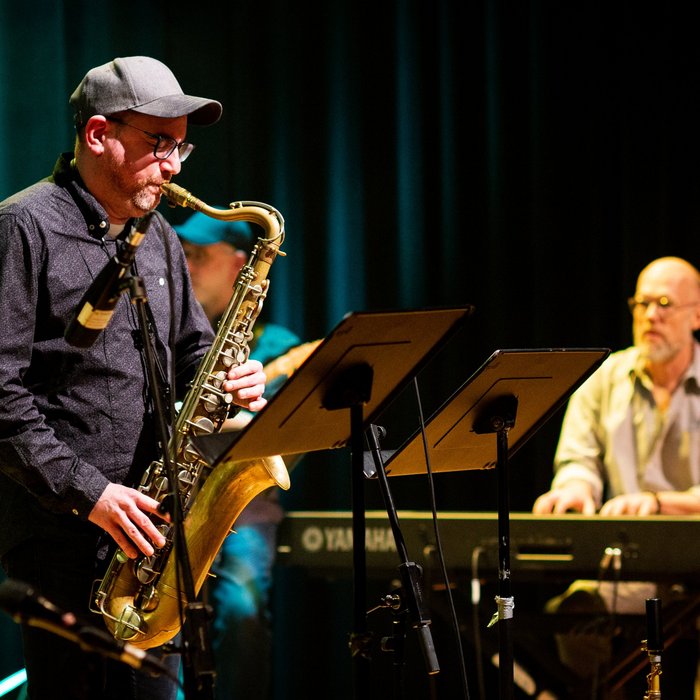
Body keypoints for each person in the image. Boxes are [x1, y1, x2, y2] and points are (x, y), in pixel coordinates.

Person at [0, 56, 269, 700]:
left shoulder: (159, 236)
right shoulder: (23, 226)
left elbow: (192, 352)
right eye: (158, 143)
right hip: (64, 535)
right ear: (98, 135)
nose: (175, 166)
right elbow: (1, 392)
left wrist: (230, 377)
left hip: (150, 537)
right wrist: (91, 494)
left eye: (181, 147)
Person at [532, 256, 700, 698]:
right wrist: (573, 489)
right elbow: (578, 462)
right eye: (641, 303)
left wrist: (661, 503)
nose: (650, 315)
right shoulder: (602, 380)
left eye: (664, 303)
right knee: (577, 613)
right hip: (630, 564)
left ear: (696, 314)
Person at [175, 210, 318, 700]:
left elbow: (281, 429)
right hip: (170, 491)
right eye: (183, 255)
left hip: (241, 504)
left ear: (240, 264)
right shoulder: (169, 332)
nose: (186, 266)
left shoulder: (275, 345)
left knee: (241, 611)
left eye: (198, 256)